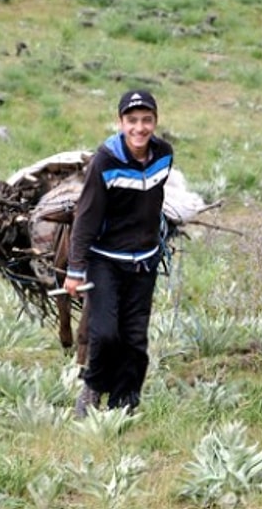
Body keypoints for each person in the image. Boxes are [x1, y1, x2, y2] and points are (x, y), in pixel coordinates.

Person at [63, 89, 174, 417]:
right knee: (106, 333)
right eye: (132, 120)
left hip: (144, 261)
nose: (140, 128)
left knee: (135, 338)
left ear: (154, 121)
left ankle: (125, 402)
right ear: (120, 123)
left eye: (146, 120)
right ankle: (94, 386)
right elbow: (86, 216)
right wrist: (75, 268)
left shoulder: (164, 155)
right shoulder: (106, 160)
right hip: (105, 260)